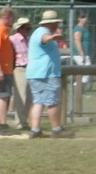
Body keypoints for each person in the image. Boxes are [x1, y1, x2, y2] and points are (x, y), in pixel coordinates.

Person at [26, 9, 67, 138]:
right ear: (52, 23)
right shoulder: (43, 33)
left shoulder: (38, 32)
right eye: (56, 23)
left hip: (35, 73)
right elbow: (45, 39)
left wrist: (54, 36)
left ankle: (35, 130)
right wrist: (54, 37)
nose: (58, 25)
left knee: (38, 102)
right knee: (52, 101)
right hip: (46, 74)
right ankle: (57, 130)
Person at [10, 16, 32, 117]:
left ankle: (24, 121)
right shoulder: (13, 39)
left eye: (29, 29)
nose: (28, 31)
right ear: (20, 28)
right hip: (19, 69)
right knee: (21, 96)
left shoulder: (28, 39)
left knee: (29, 97)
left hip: (29, 68)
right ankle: (20, 122)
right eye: (27, 28)